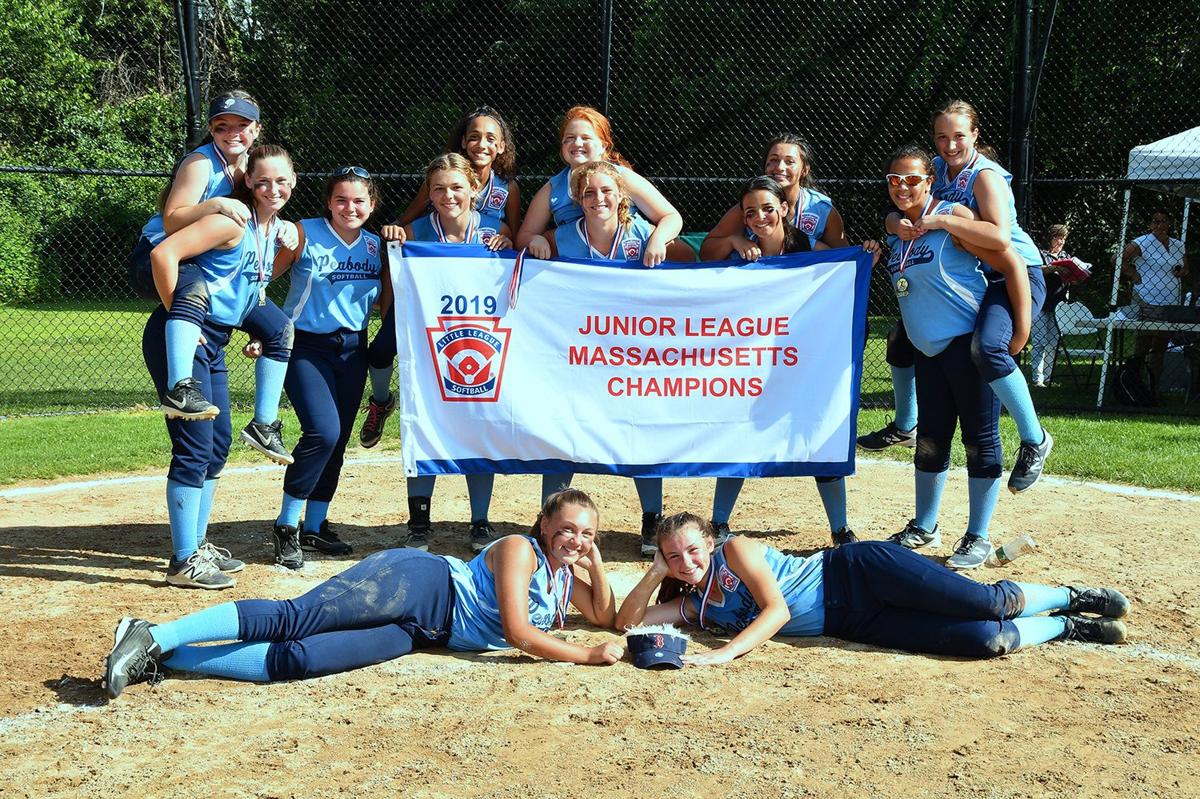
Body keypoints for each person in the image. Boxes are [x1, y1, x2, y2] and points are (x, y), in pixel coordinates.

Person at [102, 489, 623, 699]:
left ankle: (172, 658)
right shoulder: (520, 550)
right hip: (420, 584)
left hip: (423, 632)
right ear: (543, 523)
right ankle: (155, 633)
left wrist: (596, 565)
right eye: (568, 529)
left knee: (303, 661)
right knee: (296, 619)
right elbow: (518, 632)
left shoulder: (561, 575)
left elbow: (603, 614)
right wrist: (587, 656)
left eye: (587, 533)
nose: (575, 540)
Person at [615, 513, 1128, 665]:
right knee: (984, 641)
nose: (688, 562)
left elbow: (774, 613)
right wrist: (657, 573)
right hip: (852, 620)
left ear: (711, 540)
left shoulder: (737, 551)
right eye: (674, 555)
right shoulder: (690, 604)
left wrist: (726, 654)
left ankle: (1068, 595)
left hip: (857, 571)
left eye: (692, 550)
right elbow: (626, 622)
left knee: (984, 600)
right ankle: (1065, 628)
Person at [861, 101, 1052, 499]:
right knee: (901, 339)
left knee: (987, 348)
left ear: (976, 135)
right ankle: (905, 424)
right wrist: (894, 222)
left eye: (959, 136)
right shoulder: (935, 168)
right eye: (942, 137)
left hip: (1015, 271)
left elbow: (1001, 241)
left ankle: (1035, 439)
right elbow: (904, 203)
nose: (949, 145)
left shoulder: (984, 177)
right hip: (981, 270)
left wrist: (943, 221)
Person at [141, 144, 297, 588]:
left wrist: (255, 327)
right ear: (247, 181)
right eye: (263, 180)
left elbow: (245, 290)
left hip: (215, 340)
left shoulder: (269, 231)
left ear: (294, 182)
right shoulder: (228, 221)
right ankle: (183, 561)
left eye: (282, 180)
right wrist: (182, 315)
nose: (273, 188)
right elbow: (163, 255)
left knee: (218, 444)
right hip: (185, 337)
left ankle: (198, 543)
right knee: (194, 447)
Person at [700, 176, 872, 550]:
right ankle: (719, 521)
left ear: (785, 209)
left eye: (767, 208)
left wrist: (865, 253)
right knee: (738, 435)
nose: (760, 216)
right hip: (750, 363)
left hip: (802, 362)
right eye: (750, 212)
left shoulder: (810, 247)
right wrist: (732, 241)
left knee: (818, 432)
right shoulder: (741, 254)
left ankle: (840, 528)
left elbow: (845, 269)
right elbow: (704, 256)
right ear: (743, 220)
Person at [878, 144, 1029, 569]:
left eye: (913, 179)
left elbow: (1010, 260)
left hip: (965, 345)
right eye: (895, 180)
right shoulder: (897, 230)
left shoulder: (955, 216)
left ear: (929, 180)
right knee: (930, 441)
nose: (903, 187)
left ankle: (978, 536)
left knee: (980, 442)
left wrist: (1020, 328)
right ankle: (924, 526)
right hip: (930, 351)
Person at [136, 92, 298, 465]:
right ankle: (181, 387)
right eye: (222, 126)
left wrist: (282, 226)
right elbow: (173, 218)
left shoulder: (249, 168)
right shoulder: (200, 162)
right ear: (210, 129)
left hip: (196, 251)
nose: (233, 132)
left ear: (256, 129)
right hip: (156, 253)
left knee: (279, 328)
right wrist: (215, 204)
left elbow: (261, 212)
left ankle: (264, 424)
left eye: (242, 125)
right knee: (194, 293)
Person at [537, 160, 681, 553]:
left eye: (606, 191)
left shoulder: (640, 232)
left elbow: (692, 262)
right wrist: (534, 243)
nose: (598, 198)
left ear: (621, 196)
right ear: (578, 201)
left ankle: (652, 520)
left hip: (634, 355)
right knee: (563, 429)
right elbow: (530, 250)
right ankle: (548, 518)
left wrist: (661, 242)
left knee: (641, 431)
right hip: (579, 355)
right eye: (588, 193)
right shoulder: (564, 236)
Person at [361, 106, 521, 448]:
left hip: (477, 303)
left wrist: (508, 242)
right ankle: (380, 401)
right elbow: (407, 225)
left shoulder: (504, 195)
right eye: (474, 136)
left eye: (490, 138)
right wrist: (395, 232)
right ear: (463, 141)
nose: (481, 143)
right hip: (431, 297)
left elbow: (516, 243)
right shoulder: (437, 188)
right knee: (382, 349)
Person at [381, 154, 512, 553]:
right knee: (422, 422)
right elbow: (397, 277)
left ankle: (480, 521)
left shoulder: (496, 231)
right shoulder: (415, 231)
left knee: (478, 426)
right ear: (429, 194)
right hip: (431, 345)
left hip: (482, 339)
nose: (448, 195)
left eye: (457, 187)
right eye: (438, 188)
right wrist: (393, 236)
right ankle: (419, 522)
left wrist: (509, 245)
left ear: (475, 188)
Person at [265, 166, 389, 569]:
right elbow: (261, 277)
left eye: (358, 200)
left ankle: (315, 526)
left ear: (372, 206)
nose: (349, 207)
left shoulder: (375, 246)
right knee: (323, 431)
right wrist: (261, 327)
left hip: (353, 348)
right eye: (340, 199)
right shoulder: (304, 233)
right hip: (305, 346)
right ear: (328, 203)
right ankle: (287, 526)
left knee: (336, 441)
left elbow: (385, 301)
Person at [515, 105, 682, 268]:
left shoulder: (623, 178)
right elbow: (524, 235)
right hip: (581, 269)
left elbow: (671, 217)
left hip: (628, 261)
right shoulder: (553, 189)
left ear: (603, 145)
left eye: (586, 138)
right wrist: (535, 240)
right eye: (569, 138)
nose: (577, 143)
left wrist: (658, 240)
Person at [699, 133, 849, 259]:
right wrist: (733, 241)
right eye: (773, 160)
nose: (780, 167)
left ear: (805, 170)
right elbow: (706, 254)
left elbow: (844, 259)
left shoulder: (821, 209)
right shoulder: (748, 207)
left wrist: (868, 255)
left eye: (789, 162)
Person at [1120, 210, 1190, 388]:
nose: (1159, 225)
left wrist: (1181, 272)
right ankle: (1134, 383)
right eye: (1155, 221)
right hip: (1147, 298)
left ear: (1169, 224)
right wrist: (1133, 273)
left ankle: (1154, 387)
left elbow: (1185, 269)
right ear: (1150, 224)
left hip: (1171, 300)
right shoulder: (1143, 242)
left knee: (1160, 346)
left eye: (1163, 221)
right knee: (1144, 343)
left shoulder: (1177, 244)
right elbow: (1117, 258)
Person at [1030, 224, 1072, 387]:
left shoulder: (1066, 256)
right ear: (1050, 238)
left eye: (1063, 238)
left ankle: (1048, 377)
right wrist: (1054, 268)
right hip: (1041, 303)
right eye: (1058, 237)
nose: (1061, 241)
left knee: (1053, 342)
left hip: (1058, 305)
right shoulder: (1040, 254)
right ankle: (1037, 379)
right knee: (1039, 341)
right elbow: (1034, 270)